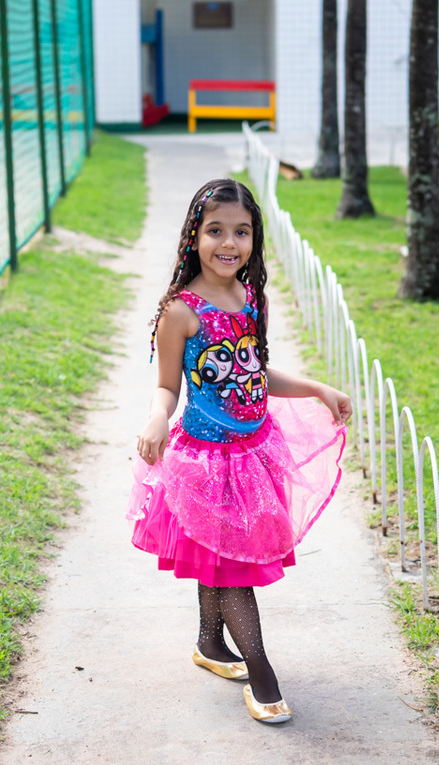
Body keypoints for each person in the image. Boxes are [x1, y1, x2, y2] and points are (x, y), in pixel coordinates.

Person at [128, 178, 351, 725]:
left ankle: (210, 642)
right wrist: (158, 417)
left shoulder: (253, 300)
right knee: (232, 570)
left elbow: (257, 372)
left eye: (242, 232)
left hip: (253, 454)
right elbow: (167, 387)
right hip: (207, 461)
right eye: (216, 231)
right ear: (193, 237)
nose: (229, 243)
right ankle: (262, 671)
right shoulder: (181, 312)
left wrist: (317, 388)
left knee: (219, 556)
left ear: (254, 239)